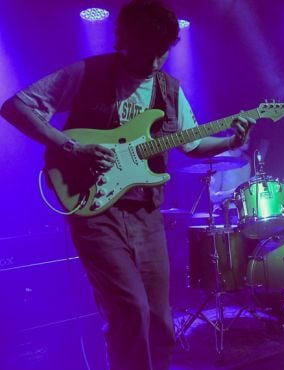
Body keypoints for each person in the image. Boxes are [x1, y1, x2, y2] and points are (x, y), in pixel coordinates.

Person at [0, 1, 254, 369]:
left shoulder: (169, 89)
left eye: (161, 53)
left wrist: (231, 141)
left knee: (160, 321)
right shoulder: (90, 72)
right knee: (129, 310)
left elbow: (192, 144)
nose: (153, 63)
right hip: (96, 209)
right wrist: (70, 145)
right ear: (126, 40)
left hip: (146, 213)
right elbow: (16, 106)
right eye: (145, 51)